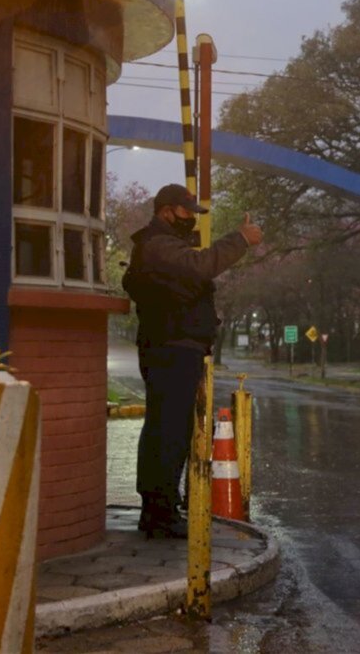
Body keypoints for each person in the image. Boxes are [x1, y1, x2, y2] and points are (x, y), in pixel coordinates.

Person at [122, 183, 262, 538]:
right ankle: (159, 512)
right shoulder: (158, 245)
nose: (191, 220)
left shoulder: (162, 245)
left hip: (177, 347)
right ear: (166, 210)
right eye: (186, 213)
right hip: (170, 349)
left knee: (170, 429)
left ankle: (163, 506)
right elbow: (200, 266)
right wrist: (241, 239)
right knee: (167, 431)